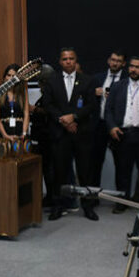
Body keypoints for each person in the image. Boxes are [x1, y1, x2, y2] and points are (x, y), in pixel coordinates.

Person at [43, 47, 99, 221]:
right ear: (60, 62)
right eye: (65, 59)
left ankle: (88, 207)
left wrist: (74, 117)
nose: (68, 61)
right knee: (59, 172)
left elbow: (91, 106)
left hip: (81, 133)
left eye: (71, 58)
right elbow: (48, 105)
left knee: (85, 173)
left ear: (76, 61)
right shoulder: (51, 81)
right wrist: (63, 120)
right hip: (60, 133)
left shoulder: (87, 81)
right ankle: (58, 206)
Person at [104, 56, 139, 212]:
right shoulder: (117, 86)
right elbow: (108, 110)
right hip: (122, 134)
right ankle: (122, 202)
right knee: (122, 171)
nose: (133, 70)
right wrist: (112, 127)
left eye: (138, 67)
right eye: (131, 66)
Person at [89, 51, 125, 188]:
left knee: (121, 163)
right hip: (99, 125)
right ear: (108, 61)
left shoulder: (127, 80)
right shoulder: (97, 78)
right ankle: (93, 196)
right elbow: (85, 100)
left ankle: (121, 200)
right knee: (95, 163)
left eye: (119, 60)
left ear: (123, 64)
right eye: (113, 59)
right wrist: (94, 94)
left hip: (118, 126)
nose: (115, 63)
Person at [0, 63, 30, 140]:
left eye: (13, 76)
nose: (10, 78)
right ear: (4, 77)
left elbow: (26, 114)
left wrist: (24, 133)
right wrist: (5, 135)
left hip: (19, 132)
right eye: (8, 75)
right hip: (3, 133)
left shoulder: (23, 93)